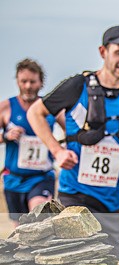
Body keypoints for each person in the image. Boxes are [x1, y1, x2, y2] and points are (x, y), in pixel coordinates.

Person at [28, 25, 119, 258]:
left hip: (113, 199)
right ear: (103, 52)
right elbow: (36, 113)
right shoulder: (78, 86)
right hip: (75, 192)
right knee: (73, 262)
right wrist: (57, 151)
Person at [1, 59, 64, 226]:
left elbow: (72, 132)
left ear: (41, 83)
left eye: (32, 81)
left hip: (41, 177)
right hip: (13, 180)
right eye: (23, 81)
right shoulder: (6, 107)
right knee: (20, 232)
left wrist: (60, 149)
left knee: (38, 222)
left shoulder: (49, 107)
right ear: (17, 81)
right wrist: (7, 136)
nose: (28, 86)